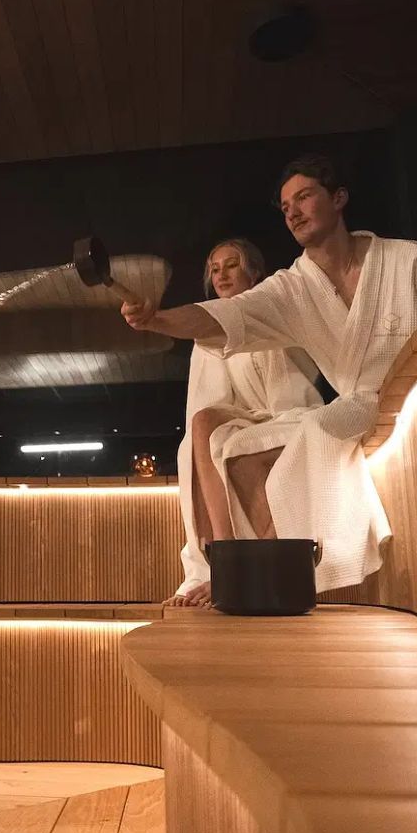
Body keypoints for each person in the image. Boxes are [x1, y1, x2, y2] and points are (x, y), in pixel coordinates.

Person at [124, 153, 417, 592]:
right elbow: (230, 317)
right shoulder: (295, 288)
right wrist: (159, 320)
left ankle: (300, 574)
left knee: (317, 430)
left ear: (339, 198)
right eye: (286, 206)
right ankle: (257, 572)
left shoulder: (410, 263)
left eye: (304, 197)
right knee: (235, 451)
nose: (292, 211)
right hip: (357, 404)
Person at [170, 239, 322, 607]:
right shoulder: (208, 332)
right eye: (215, 268)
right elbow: (207, 401)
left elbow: (293, 390)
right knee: (200, 428)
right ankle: (222, 558)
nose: (221, 274)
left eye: (231, 265)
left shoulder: (272, 311)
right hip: (247, 419)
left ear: (254, 271)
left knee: (243, 451)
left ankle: (254, 566)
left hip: (289, 413)